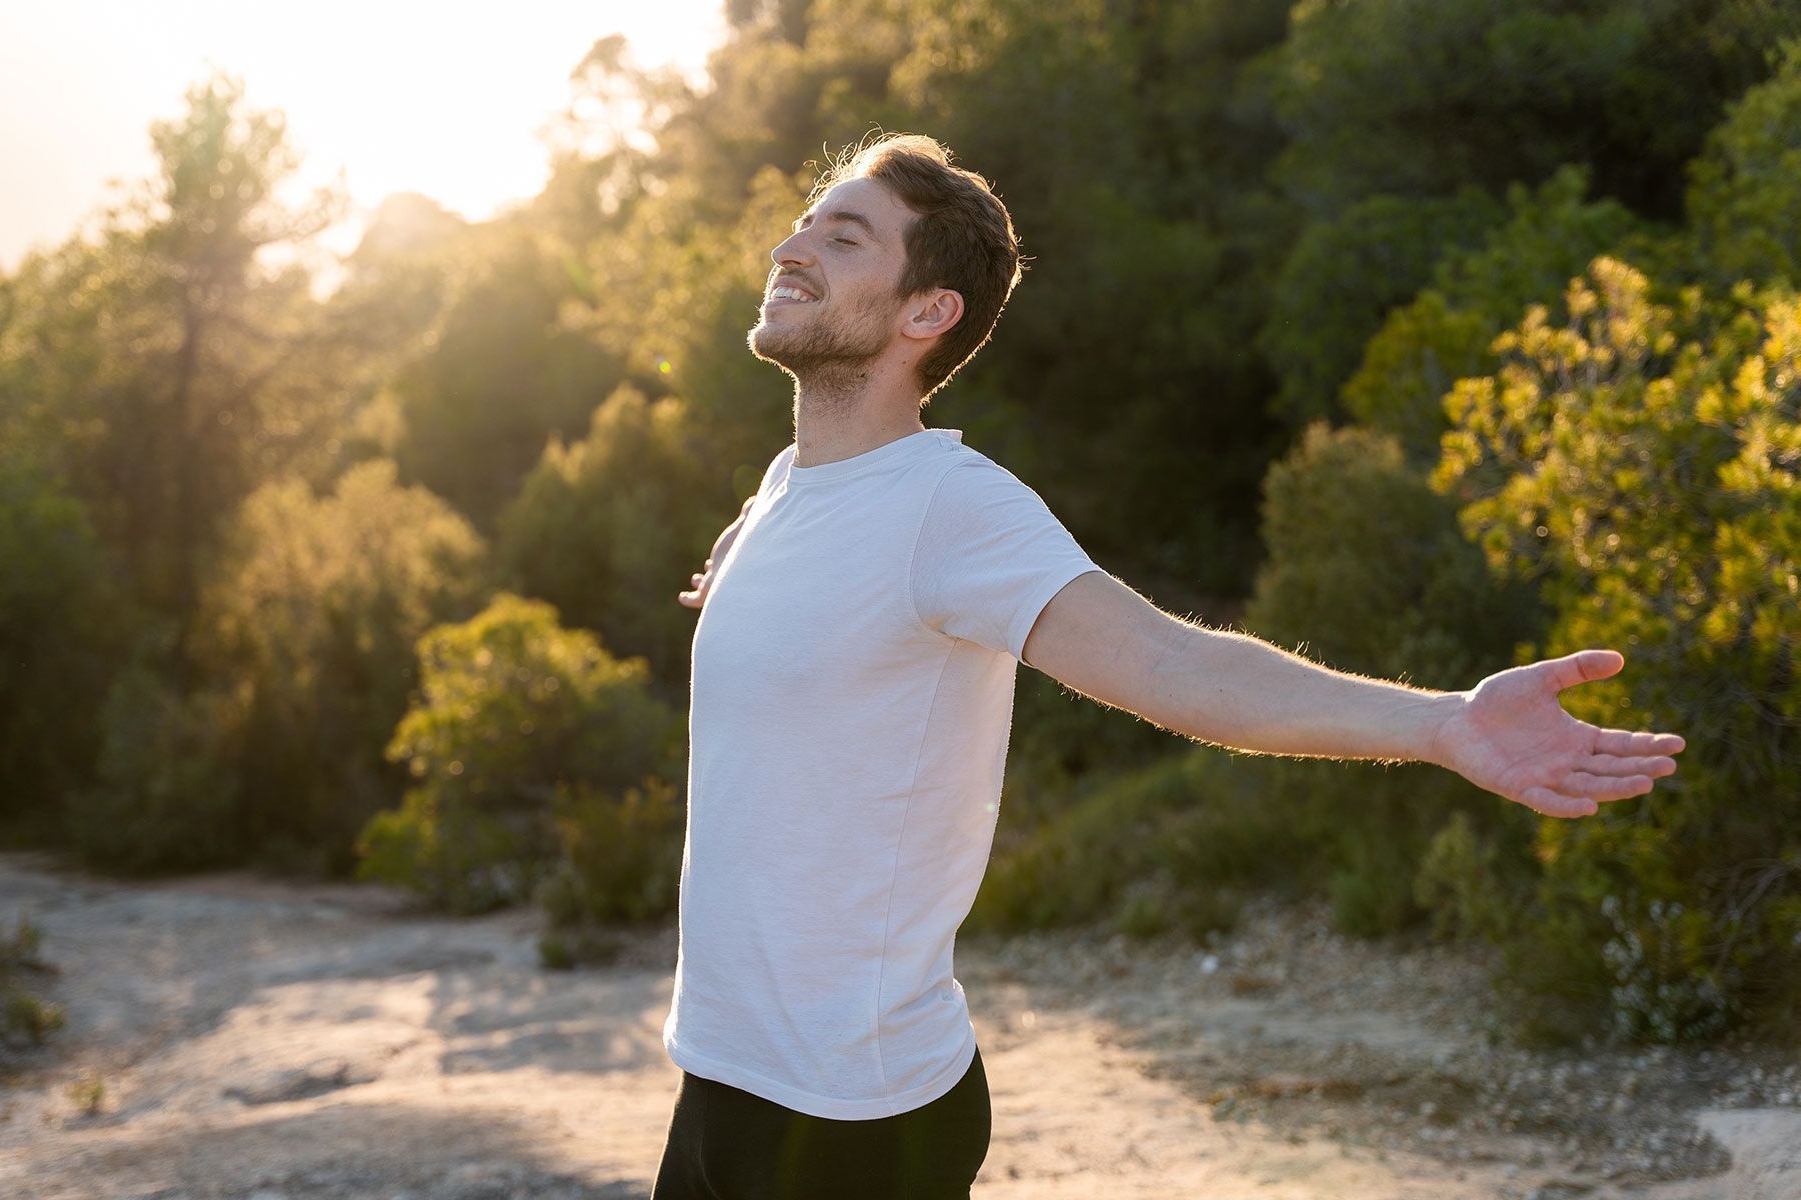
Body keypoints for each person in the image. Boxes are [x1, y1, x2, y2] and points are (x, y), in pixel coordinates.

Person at [649, 133, 1686, 1200]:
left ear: (927, 313)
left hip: (851, 1116)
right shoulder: (785, 490)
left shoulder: (953, 510)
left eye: (844, 236)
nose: (790, 247)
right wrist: (749, 546)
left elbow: (1170, 662)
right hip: (721, 1078)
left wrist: (1440, 722)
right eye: (805, 224)